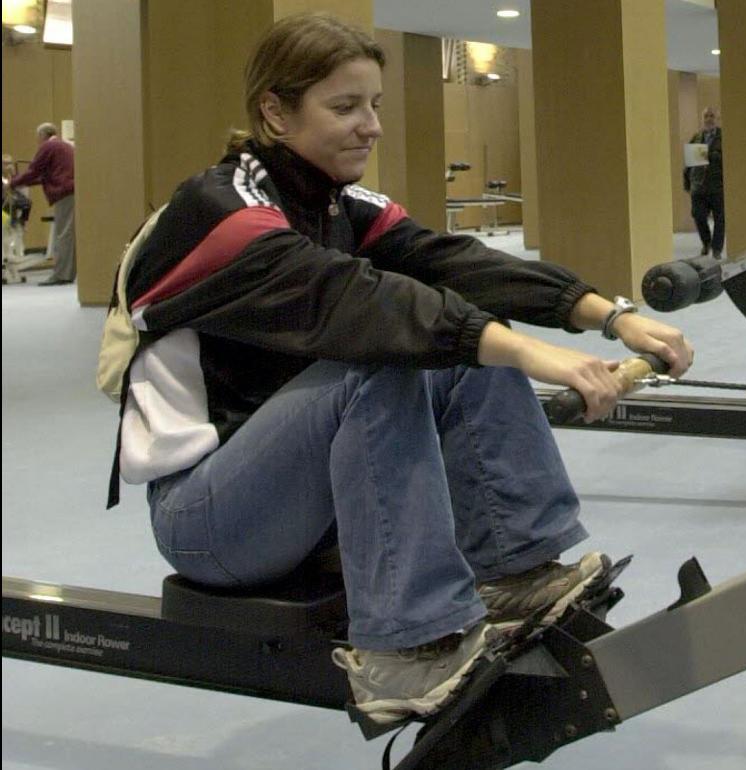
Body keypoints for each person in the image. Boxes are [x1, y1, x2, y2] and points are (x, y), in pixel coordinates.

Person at [110, 13, 693, 727]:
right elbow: (358, 301)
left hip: (291, 499)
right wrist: (538, 356)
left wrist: (610, 315)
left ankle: (514, 571)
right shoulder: (220, 214)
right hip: (206, 521)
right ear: (274, 112)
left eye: (375, 105)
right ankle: (403, 650)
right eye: (345, 107)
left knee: (453, 327)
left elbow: (458, 264)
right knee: (386, 359)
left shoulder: (341, 204)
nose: (371, 126)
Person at [8, 123, 75, 285]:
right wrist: (21, 183)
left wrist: (11, 184)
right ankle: (67, 273)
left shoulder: (48, 146)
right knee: (68, 234)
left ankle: (61, 275)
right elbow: (44, 176)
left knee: (63, 235)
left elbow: (33, 170)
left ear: (42, 135)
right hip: (71, 190)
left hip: (64, 193)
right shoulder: (64, 146)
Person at [682, 107, 724, 259]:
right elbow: (689, 164)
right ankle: (706, 242)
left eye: (712, 116)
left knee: (720, 219)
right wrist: (687, 183)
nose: (709, 119)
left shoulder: (723, 137)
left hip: (717, 187)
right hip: (699, 187)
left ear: (717, 118)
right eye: (706, 116)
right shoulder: (697, 138)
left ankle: (717, 249)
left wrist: (713, 156)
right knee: (698, 216)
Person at [2, 154, 32, 268]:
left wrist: (12, 176)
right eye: (5, 164)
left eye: (9, 163)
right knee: (7, 226)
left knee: (24, 203)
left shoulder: (15, 178)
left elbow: (23, 193)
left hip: (12, 209)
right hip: (4, 210)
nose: (8, 166)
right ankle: (7, 255)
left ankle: (16, 254)